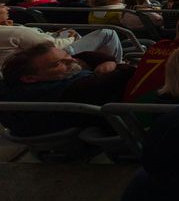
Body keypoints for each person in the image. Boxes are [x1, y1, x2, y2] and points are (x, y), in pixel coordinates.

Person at [0, 41, 134, 136]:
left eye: (67, 55)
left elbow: (82, 56)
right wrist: (112, 63)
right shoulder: (77, 88)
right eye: (59, 63)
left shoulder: (13, 86)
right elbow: (128, 73)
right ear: (30, 78)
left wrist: (106, 62)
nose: (72, 61)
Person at [0, 1, 124, 67]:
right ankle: (117, 66)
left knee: (68, 31)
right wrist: (71, 39)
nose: (7, 8)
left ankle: (102, 63)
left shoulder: (11, 29)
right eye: (3, 7)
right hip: (49, 58)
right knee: (108, 33)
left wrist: (55, 34)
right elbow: (51, 45)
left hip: (37, 54)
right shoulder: (15, 32)